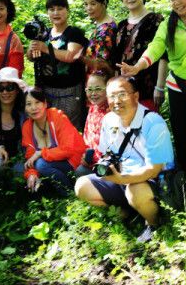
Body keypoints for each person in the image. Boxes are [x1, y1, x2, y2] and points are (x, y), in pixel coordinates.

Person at [118, 0, 186, 188]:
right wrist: (138, 66)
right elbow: (155, 47)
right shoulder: (167, 25)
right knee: (184, 140)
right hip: (179, 89)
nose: (176, 2)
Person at [74, 76, 175, 243]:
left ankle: (154, 223)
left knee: (135, 191)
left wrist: (121, 179)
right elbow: (107, 153)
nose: (116, 101)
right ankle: (127, 211)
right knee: (82, 186)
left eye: (122, 94)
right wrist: (108, 169)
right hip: (123, 176)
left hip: (155, 181)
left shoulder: (153, 123)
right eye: (112, 96)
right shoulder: (109, 120)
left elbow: (153, 170)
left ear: (135, 96)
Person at [27, 0, 88, 130]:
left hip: (69, 92)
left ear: (67, 11)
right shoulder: (44, 33)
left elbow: (71, 56)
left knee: (67, 129)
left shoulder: (74, 33)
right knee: (49, 128)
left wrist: (45, 48)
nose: (56, 13)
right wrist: (32, 49)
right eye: (51, 9)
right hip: (46, 90)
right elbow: (31, 57)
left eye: (60, 8)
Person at [113, 0, 168, 112]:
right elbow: (117, 59)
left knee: (148, 127)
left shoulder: (156, 20)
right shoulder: (121, 26)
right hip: (124, 89)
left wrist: (160, 87)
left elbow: (163, 56)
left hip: (147, 87)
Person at [22, 87, 86, 196]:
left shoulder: (57, 116)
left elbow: (68, 149)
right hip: (52, 168)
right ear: (25, 108)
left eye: (37, 102)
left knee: (41, 164)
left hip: (74, 163)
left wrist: (41, 153)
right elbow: (30, 157)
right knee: (22, 170)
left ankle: (69, 195)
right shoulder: (27, 126)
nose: (33, 107)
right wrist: (31, 174)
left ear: (45, 104)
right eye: (28, 104)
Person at [75, 72, 109, 177]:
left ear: (108, 89)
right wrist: (85, 155)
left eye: (98, 89)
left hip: (105, 164)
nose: (93, 93)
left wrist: (95, 160)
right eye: (89, 89)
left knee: (81, 172)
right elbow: (86, 135)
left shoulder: (111, 113)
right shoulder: (92, 108)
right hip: (89, 160)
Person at [81, 0, 117, 77]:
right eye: (86, 4)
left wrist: (78, 57)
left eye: (93, 4)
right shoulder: (100, 24)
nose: (88, 8)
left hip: (99, 82)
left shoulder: (106, 30)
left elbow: (101, 64)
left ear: (103, 3)